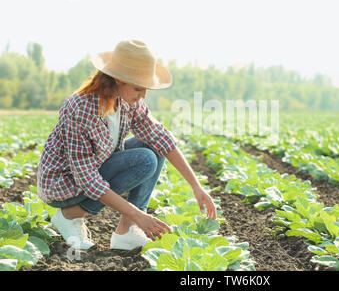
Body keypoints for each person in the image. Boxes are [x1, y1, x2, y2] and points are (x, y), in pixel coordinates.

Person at [37, 39, 216, 251]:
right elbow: (86, 179)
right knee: (145, 159)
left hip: (95, 168)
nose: (144, 95)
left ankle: (127, 231)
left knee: (153, 147)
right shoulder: (80, 108)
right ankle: (69, 216)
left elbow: (161, 138)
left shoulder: (128, 101)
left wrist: (196, 186)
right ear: (118, 80)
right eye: (138, 88)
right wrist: (138, 214)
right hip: (63, 184)